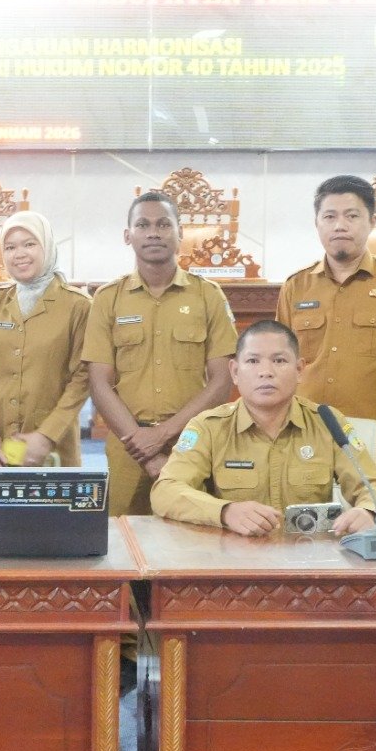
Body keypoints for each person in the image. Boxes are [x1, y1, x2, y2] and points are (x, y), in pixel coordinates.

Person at [153, 320, 376, 534]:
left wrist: (368, 511)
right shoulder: (209, 427)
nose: (266, 372)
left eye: (279, 361)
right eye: (253, 361)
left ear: (299, 370)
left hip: (309, 556)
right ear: (235, 372)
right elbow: (165, 491)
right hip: (233, 557)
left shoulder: (327, 422)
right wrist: (225, 511)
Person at [276, 175, 376, 505]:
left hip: (374, 447)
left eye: (352, 215)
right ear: (317, 224)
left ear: (372, 221)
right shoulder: (296, 287)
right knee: (302, 532)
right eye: (329, 216)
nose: (340, 225)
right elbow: (279, 368)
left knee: (371, 533)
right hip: (305, 442)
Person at [84, 190, 238, 516]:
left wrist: (163, 435)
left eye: (164, 224)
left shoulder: (208, 296)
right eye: (143, 225)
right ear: (128, 236)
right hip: (127, 447)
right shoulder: (108, 299)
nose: (153, 232)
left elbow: (222, 381)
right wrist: (144, 447)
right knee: (121, 538)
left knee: (193, 536)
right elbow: (98, 383)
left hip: (193, 445)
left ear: (180, 233)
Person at [0, 211, 91, 466]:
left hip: (52, 449)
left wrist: (47, 435)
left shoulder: (78, 306)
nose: (19, 254)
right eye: (10, 247)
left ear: (47, 246)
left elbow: (83, 377)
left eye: (29, 244)